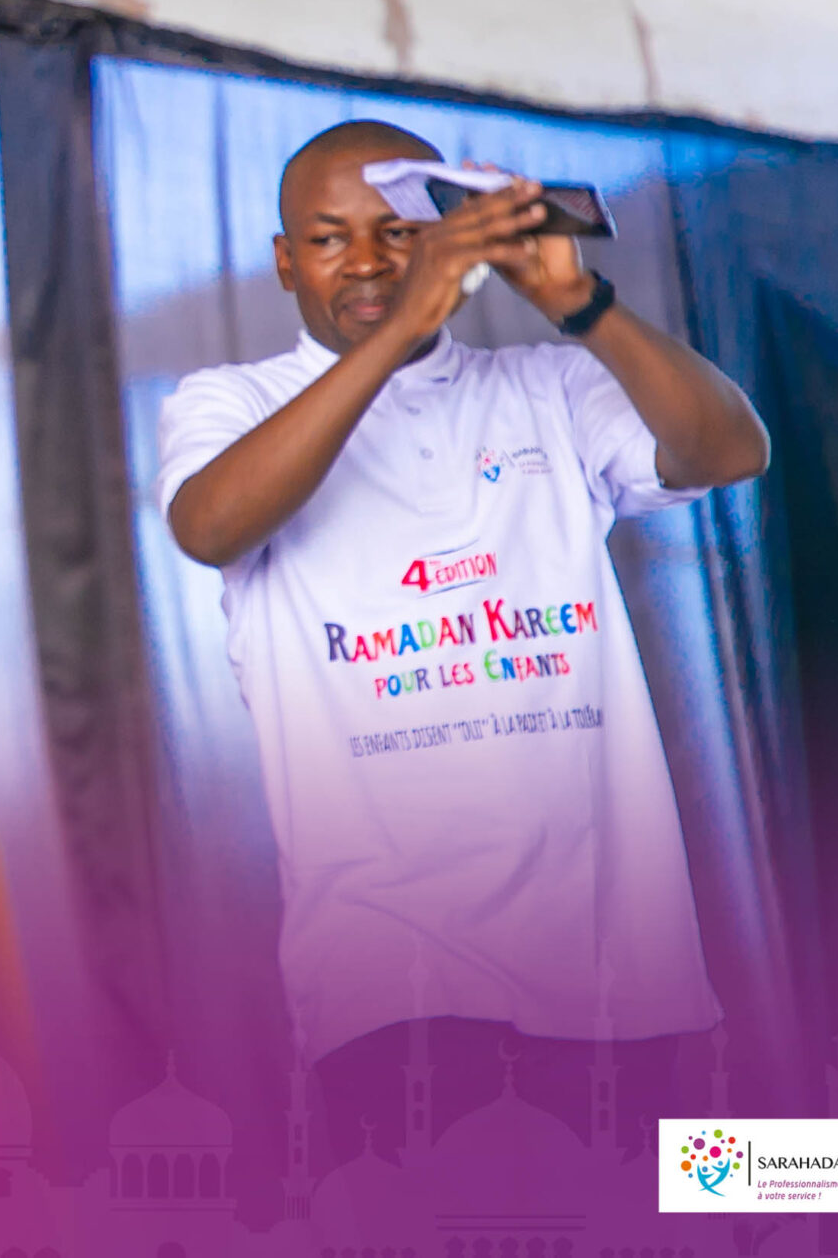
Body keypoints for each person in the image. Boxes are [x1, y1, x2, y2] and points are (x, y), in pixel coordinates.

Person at [156, 119, 770, 1157]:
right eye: (328, 238)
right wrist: (402, 325)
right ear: (284, 261)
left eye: (399, 233)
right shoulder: (229, 402)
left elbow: (730, 450)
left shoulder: (549, 387)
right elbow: (209, 526)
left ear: (452, 241)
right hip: (392, 982)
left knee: (704, 1199)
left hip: (620, 967)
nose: (366, 261)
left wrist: (579, 302)